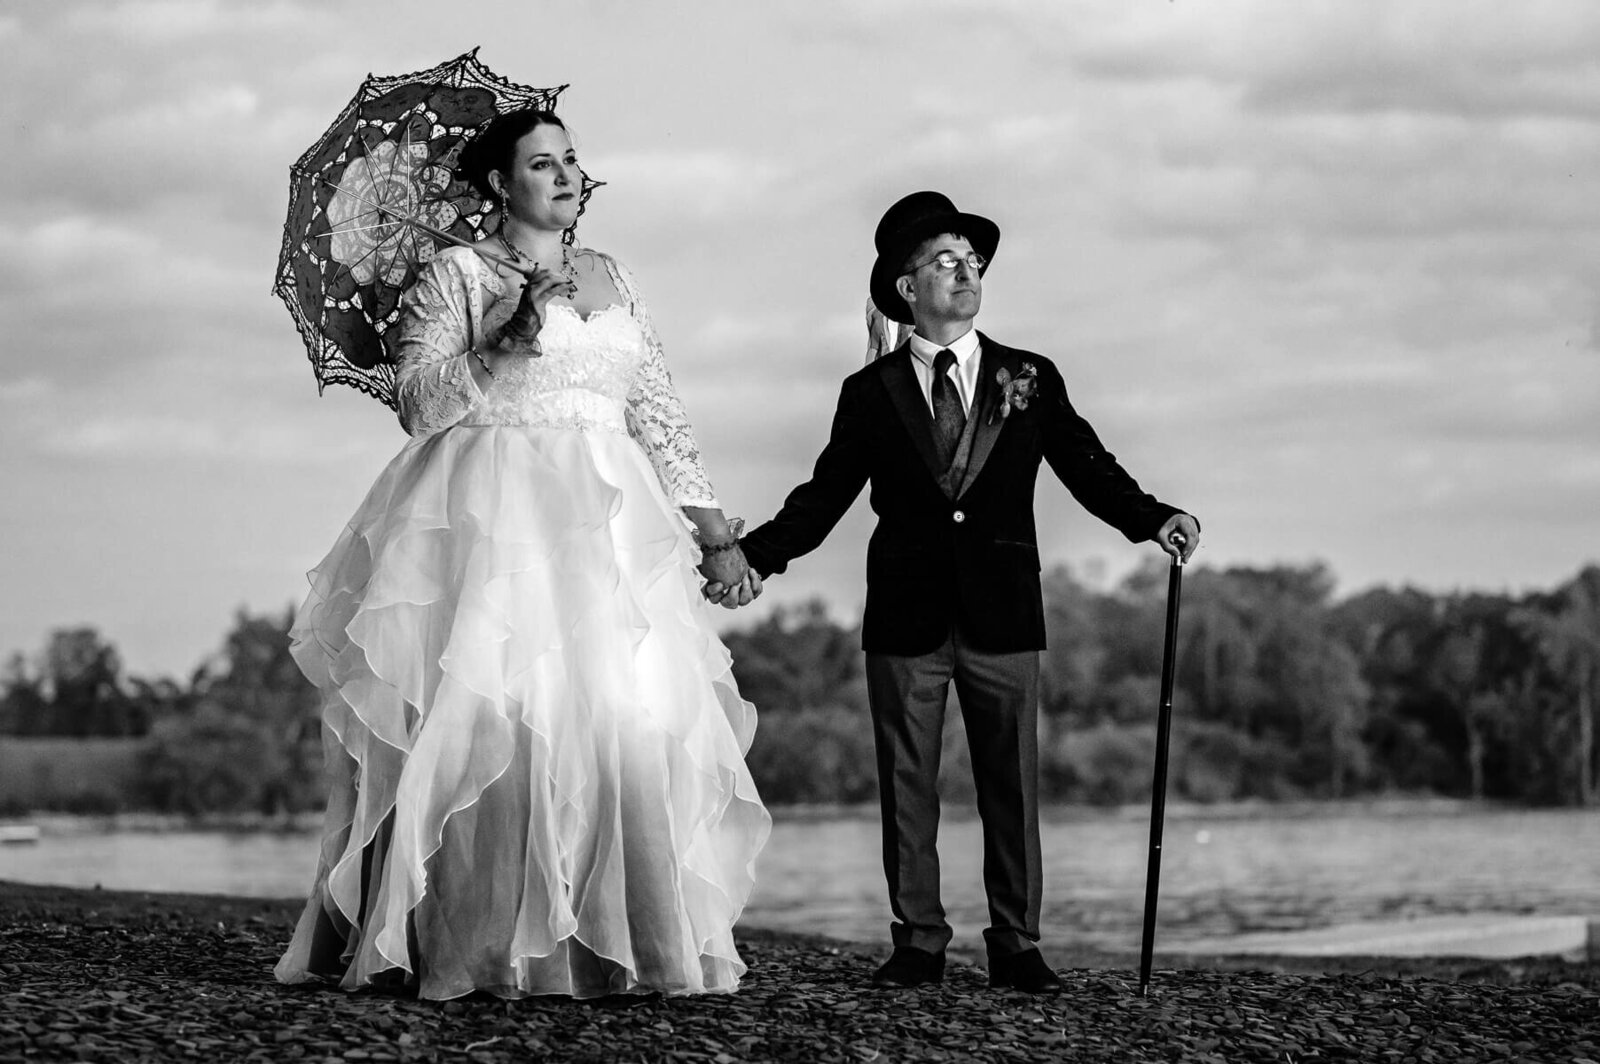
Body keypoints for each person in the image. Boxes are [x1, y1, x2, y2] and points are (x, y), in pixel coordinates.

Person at [274, 109, 770, 1000]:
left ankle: (622, 944)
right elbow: (420, 405)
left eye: (573, 158)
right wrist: (503, 341)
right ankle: (480, 947)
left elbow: (657, 414)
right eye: (543, 163)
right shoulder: (455, 272)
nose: (567, 173)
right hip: (495, 519)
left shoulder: (612, 276)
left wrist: (716, 536)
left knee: (627, 717)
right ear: (501, 185)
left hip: (613, 523)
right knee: (496, 717)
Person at [733, 191, 1200, 994]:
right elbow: (825, 495)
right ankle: (919, 941)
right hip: (905, 615)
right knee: (907, 782)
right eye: (946, 261)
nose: (967, 273)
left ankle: (1016, 942)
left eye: (974, 262)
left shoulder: (1030, 376)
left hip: (1005, 609)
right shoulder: (870, 391)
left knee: (1011, 785)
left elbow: (1088, 467)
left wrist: (1152, 517)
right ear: (906, 286)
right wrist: (753, 558)